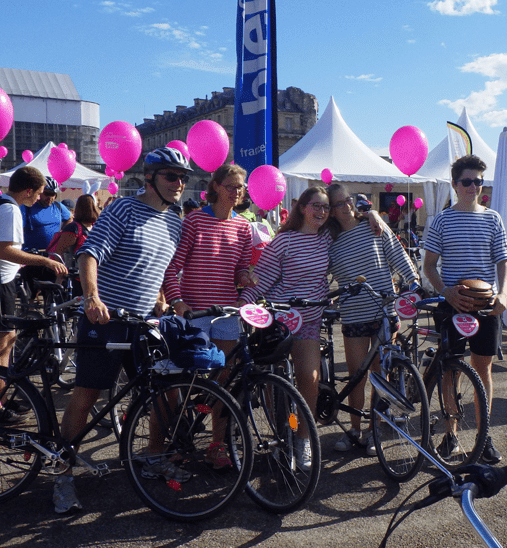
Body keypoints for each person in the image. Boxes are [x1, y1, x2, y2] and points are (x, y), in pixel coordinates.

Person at [53, 147, 189, 514]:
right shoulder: (124, 209)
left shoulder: (175, 219)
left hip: (143, 322)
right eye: (171, 176)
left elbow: (158, 266)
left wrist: (161, 300)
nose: (179, 184)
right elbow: (89, 253)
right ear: (150, 178)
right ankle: (63, 473)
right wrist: (92, 297)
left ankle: (154, 456)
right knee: (88, 394)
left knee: (160, 391)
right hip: (106, 319)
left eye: (183, 178)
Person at [163, 163, 256, 470]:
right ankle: (178, 441)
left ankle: (216, 447)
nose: (237, 192)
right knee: (187, 380)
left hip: (226, 312)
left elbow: (240, 268)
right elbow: (172, 268)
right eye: (231, 186)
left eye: (240, 187)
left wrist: (247, 281)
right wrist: (177, 303)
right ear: (215, 187)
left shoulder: (244, 226)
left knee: (222, 383)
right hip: (196, 312)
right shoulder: (194, 221)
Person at [238, 186, 333, 471]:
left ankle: (302, 439)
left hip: (310, 320)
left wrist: (374, 216)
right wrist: (243, 304)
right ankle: (282, 432)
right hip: (279, 319)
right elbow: (263, 277)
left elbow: (352, 216)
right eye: (315, 205)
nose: (321, 211)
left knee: (309, 378)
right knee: (275, 383)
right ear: (302, 207)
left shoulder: (327, 239)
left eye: (325, 207)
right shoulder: (285, 241)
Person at [422, 154, 507, 465]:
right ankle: (452, 434)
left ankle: (484, 436)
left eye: (479, 181)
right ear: (455, 184)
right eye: (467, 181)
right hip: (454, 304)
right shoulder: (443, 220)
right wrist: (445, 291)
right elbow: (429, 265)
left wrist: (504, 294)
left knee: (483, 370)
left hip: (485, 305)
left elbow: (503, 262)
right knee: (450, 371)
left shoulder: (493, 218)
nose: (474, 187)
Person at [326, 183, 419, 455]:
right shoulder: (329, 242)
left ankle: (374, 431)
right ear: (331, 211)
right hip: (354, 315)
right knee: (356, 377)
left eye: (349, 200)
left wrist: (413, 282)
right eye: (340, 204)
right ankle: (355, 430)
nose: (347, 207)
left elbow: (396, 255)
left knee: (380, 377)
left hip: (383, 312)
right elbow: (320, 272)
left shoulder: (373, 225)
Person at [0, 167, 68, 419]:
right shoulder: (11, 209)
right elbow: (5, 250)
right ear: (28, 190)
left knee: (7, 342)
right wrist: (44, 261)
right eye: (38, 193)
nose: (39, 198)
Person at [49, 194, 99, 279]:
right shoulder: (74, 228)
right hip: (73, 275)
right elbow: (60, 251)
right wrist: (60, 276)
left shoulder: (95, 226)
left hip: (91, 272)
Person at [20, 177, 71, 251]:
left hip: (53, 253)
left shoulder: (58, 206)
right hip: (32, 253)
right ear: (40, 192)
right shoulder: (27, 207)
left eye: (53, 194)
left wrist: (63, 233)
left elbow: (70, 218)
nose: (50, 197)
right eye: (47, 194)